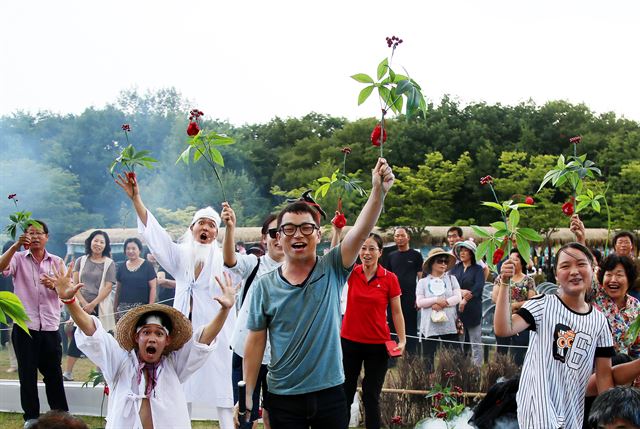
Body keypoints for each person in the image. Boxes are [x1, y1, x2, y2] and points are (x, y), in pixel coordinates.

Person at [241, 158, 394, 429]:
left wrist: (377, 192)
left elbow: (360, 231)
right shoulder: (265, 286)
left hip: (330, 393)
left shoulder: (333, 267)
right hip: (283, 397)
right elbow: (255, 343)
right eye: (289, 229)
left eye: (306, 227)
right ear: (278, 237)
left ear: (318, 234)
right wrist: (247, 395)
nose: (297, 234)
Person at [45, 260, 236, 429]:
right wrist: (70, 301)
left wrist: (225, 310)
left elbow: (202, 341)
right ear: (137, 337)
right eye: (146, 332)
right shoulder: (119, 361)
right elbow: (93, 333)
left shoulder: (174, 365)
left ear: (167, 340)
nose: (152, 338)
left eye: (159, 333)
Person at [115, 173, 236, 429]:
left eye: (211, 225)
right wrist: (137, 199)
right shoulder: (181, 256)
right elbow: (155, 236)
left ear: (216, 232)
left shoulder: (224, 259)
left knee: (223, 392)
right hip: (183, 333)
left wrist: (230, 226)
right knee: (180, 386)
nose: (205, 228)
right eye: (200, 224)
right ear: (192, 229)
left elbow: (237, 265)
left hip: (214, 332)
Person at [495, 242, 614, 429]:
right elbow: (504, 329)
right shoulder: (542, 305)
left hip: (573, 412)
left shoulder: (600, 322)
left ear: (593, 270)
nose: (574, 271)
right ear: (557, 275)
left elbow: (604, 377)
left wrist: (610, 419)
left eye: (581, 264)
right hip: (538, 408)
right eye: (565, 266)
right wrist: (504, 283)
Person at [0, 222, 69, 427]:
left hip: (49, 326)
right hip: (24, 327)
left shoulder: (57, 262)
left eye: (39, 233)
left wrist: (55, 286)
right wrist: (14, 247)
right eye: (31, 233)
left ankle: (62, 416)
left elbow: (67, 291)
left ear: (47, 237)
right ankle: (31, 418)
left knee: (54, 374)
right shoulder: (18, 258)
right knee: (27, 374)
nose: (35, 236)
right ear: (25, 237)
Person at [222, 208, 284, 429]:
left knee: (276, 416)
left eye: (282, 232)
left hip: (280, 357)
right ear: (264, 238)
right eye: (273, 232)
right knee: (244, 415)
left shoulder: (297, 270)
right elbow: (230, 260)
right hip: (245, 350)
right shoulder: (254, 263)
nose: (278, 238)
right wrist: (230, 228)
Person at [341, 233, 406, 429]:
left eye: (371, 249)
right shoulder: (351, 273)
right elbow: (335, 258)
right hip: (349, 342)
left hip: (378, 345)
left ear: (380, 252)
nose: (366, 253)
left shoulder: (390, 278)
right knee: (345, 392)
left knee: (371, 395)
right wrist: (337, 232)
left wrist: (402, 341)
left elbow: (396, 312)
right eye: (363, 248)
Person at [571, 215, 640, 358]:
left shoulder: (635, 306)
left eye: (619, 275)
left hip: (622, 372)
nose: (613, 280)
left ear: (629, 279)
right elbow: (586, 268)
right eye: (609, 274)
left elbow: (636, 347)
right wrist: (581, 239)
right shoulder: (596, 294)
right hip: (590, 368)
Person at [64, 230, 116, 381]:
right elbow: (74, 282)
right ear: (90, 242)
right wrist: (84, 303)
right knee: (76, 336)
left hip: (100, 307)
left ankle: (99, 372)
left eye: (101, 242)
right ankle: (68, 373)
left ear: (105, 246)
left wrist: (93, 303)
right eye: (96, 241)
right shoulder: (81, 260)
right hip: (80, 305)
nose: (98, 244)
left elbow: (108, 287)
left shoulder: (109, 263)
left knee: (100, 338)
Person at [416, 247, 461, 372]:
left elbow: (458, 297)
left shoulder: (452, 279)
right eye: (440, 261)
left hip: (449, 325)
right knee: (428, 360)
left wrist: (444, 303)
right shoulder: (423, 282)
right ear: (432, 263)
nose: (443, 264)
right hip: (430, 326)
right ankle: (427, 384)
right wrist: (435, 300)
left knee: (455, 358)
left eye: (445, 261)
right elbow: (419, 302)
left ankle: (454, 381)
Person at [490, 249, 536, 366]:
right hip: (503, 319)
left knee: (519, 353)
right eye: (510, 259)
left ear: (522, 263)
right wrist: (507, 308)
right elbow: (495, 297)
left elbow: (531, 300)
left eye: (515, 259)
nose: (512, 262)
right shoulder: (501, 278)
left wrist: (514, 305)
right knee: (502, 352)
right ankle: (502, 373)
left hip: (521, 321)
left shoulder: (528, 280)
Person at [386, 227, 423, 355]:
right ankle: (392, 355)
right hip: (393, 297)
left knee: (410, 327)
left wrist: (419, 298)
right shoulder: (391, 256)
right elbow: (387, 277)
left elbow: (420, 278)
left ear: (408, 237)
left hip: (410, 298)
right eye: (397, 236)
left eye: (402, 235)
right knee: (392, 326)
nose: (399, 238)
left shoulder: (416, 255)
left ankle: (411, 356)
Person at [450, 240, 485, 366]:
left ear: (471, 253)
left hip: (473, 309)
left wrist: (465, 299)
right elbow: (450, 286)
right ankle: (460, 366)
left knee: (475, 340)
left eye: (465, 251)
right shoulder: (455, 269)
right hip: (457, 310)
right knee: (459, 339)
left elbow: (478, 287)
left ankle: (477, 368)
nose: (462, 253)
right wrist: (461, 291)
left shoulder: (478, 269)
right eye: (461, 250)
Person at [114, 237, 157, 319]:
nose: (130, 251)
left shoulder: (147, 266)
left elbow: (153, 288)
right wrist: (115, 308)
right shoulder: (121, 267)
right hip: (123, 308)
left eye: (133, 248)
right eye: (128, 249)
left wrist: (150, 307)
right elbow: (118, 290)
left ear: (139, 250)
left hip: (142, 308)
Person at [0, 241, 18, 373]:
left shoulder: (24, 266)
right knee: (11, 338)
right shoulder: (2, 269)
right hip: (8, 308)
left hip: (24, 307)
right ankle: (14, 364)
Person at [611, 231, 640, 299]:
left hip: (634, 294)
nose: (623, 245)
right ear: (615, 246)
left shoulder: (637, 262)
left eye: (627, 242)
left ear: (631, 246)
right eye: (620, 242)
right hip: (613, 294)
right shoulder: (609, 262)